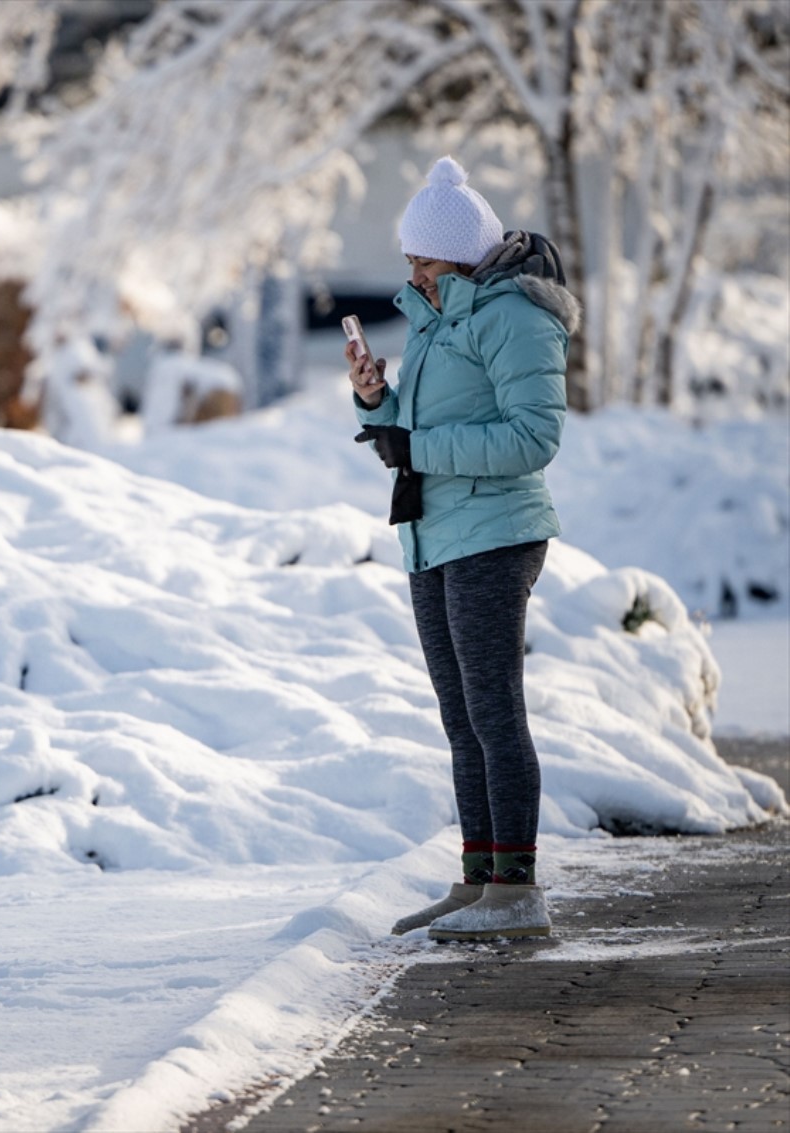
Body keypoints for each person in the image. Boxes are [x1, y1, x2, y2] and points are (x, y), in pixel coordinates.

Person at [348, 156, 579, 942]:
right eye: (410, 257)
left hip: (495, 533)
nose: (412, 269)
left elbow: (532, 436)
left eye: (424, 257)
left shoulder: (514, 315)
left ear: (463, 254)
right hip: (435, 533)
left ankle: (517, 890)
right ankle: (480, 879)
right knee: (461, 718)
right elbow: (431, 421)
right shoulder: (441, 316)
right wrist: (377, 398)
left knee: (494, 712)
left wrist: (417, 445)